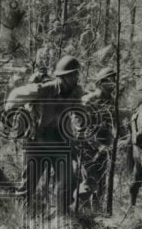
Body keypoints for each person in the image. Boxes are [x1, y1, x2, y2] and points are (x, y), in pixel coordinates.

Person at [7, 55, 85, 210]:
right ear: (62, 77)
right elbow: (15, 94)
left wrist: (80, 128)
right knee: (30, 182)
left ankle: (62, 216)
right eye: (72, 75)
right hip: (38, 140)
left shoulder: (75, 91)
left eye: (77, 74)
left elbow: (78, 111)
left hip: (60, 139)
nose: (76, 77)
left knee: (67, 179)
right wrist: (10, 111)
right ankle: (20, 216)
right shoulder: (44, 89)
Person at [77, 66, 118, 207]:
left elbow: (112, 124)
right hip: (88, 148)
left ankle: (96, 214)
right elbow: (81, 129)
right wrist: (97, 146)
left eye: (114, 80)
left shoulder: (111, 101)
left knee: (101, 183)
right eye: (110, 80)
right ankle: (81, 214)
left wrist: (112, 143)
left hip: (105, 147)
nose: (114, 83)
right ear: (101, 82)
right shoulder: (88, 101)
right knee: (88, 181)